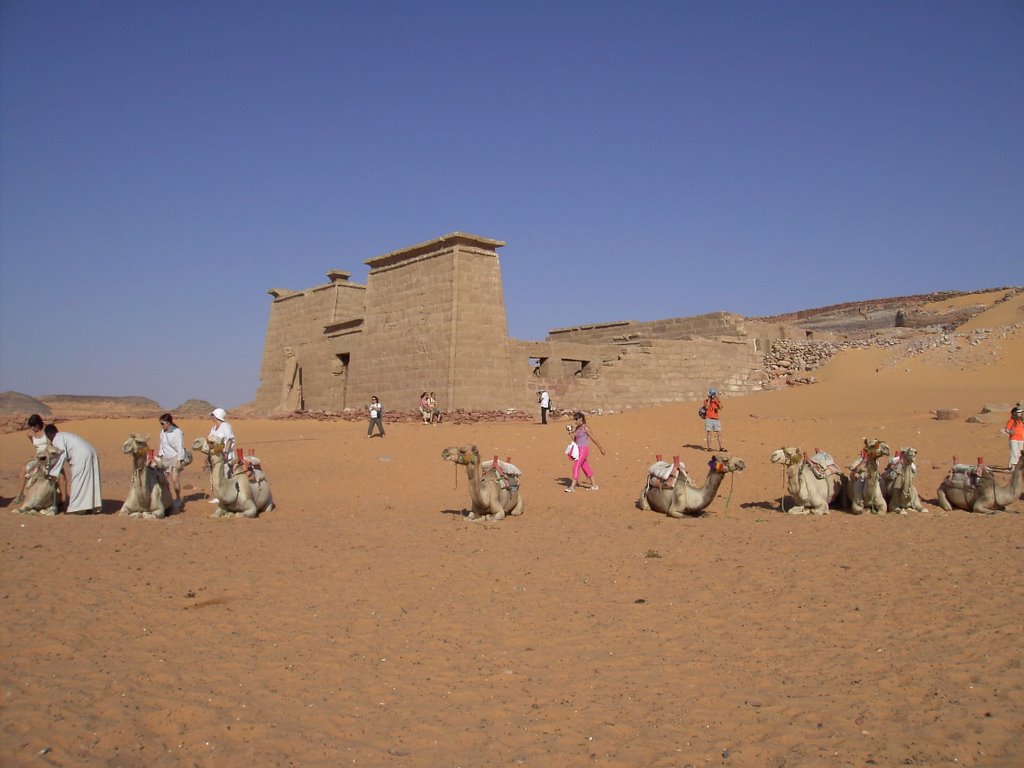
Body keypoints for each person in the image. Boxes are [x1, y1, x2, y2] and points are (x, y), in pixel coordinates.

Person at [45, 424, 102, 514]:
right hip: (91, 452)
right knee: (89, 480)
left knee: (78, 481)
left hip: (81, 455)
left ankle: (77, 509)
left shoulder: (57, 438)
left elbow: (62, 455)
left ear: (49, 434)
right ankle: (91, 507)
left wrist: (53, 472)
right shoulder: (64, 435)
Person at [14, 414, 52, 504]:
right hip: (38, 457)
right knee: (23, 468)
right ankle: (20, 495)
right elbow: (36, 446)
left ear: (38, 424)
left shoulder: (46, 431)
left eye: (34, 426)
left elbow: (51, 445)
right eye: (31, 426)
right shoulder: (30, 434)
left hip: (48, 457)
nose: (33, 428)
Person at [565, 411, 605, 492]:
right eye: (574, 419)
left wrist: (600, 448)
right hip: (578, 450)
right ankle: (594, 485)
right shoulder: (577, 428)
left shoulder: (585, 428)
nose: (575, 421)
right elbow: (576, 440)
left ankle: (572, 487)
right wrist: (570, 433)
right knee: (585, 467)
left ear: (581, 419)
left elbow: (594, 439)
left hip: (584, 449)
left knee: (575, 466)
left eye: (576, 419)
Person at [157, 412, 185, 505]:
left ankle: (178, 498)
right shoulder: (162, 432)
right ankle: (165, 497)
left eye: (162, 423)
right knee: (162, 479)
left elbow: (180, 446)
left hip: (175, 457)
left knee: (174, 479)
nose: (161, 425)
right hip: (165, 458)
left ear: (168, 423)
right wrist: (160, 456)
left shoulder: (177, 432)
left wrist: (179, 461)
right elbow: (162, 444)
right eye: (160, 423)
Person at [1005, 403, 1024, 469]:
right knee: (1014, 453)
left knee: (1019, 454)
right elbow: (1007, 429)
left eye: (1021, 412)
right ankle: (1013, 467)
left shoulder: (1021, 421)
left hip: (1021, 439)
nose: (1020, 414)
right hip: (1014, 439)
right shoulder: (1012, 421)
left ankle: (1017, 467)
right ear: (1015, 413)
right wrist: (1010, 432)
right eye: (1019, 412)